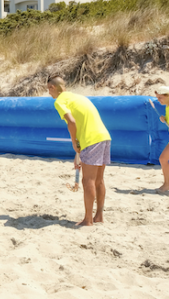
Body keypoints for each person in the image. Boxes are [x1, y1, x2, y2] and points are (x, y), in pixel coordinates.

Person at [47, 76, 111, 227]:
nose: (49, 93)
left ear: (52, 88)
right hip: (104, 137)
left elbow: (72, 122)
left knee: (87, 180)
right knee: (99, 180)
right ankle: (99, 216)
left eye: (49, 90)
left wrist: (75, 143)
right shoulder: (78, 97)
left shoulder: (60, 101)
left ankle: (88, 220)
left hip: (91, 140)